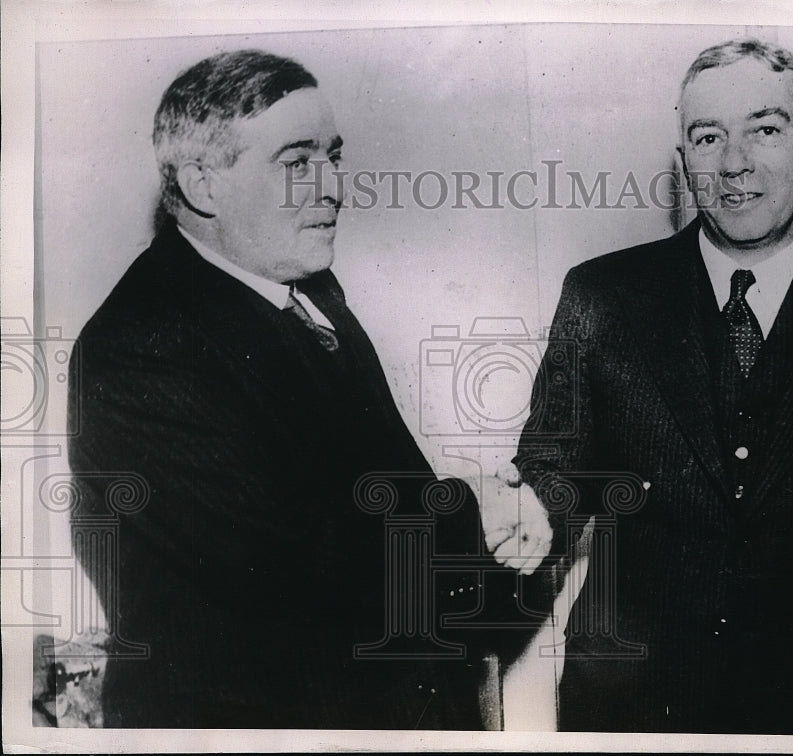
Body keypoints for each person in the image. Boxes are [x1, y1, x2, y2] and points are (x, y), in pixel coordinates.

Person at [510, 38, 793, 734]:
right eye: (708, 136)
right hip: (630, 700)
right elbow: (555, 465)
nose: (734, 162)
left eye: (765, 130)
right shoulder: (603, 295)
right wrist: (533, 510)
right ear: (684, 160)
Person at [68, 49, 485, 729]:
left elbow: (381, 490)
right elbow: (293, 564)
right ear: (205, 185)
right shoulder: (136, 345)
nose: (332, 187)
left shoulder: (307, 294)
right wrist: (475, 517)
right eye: (297, 163)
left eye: (333, 157)